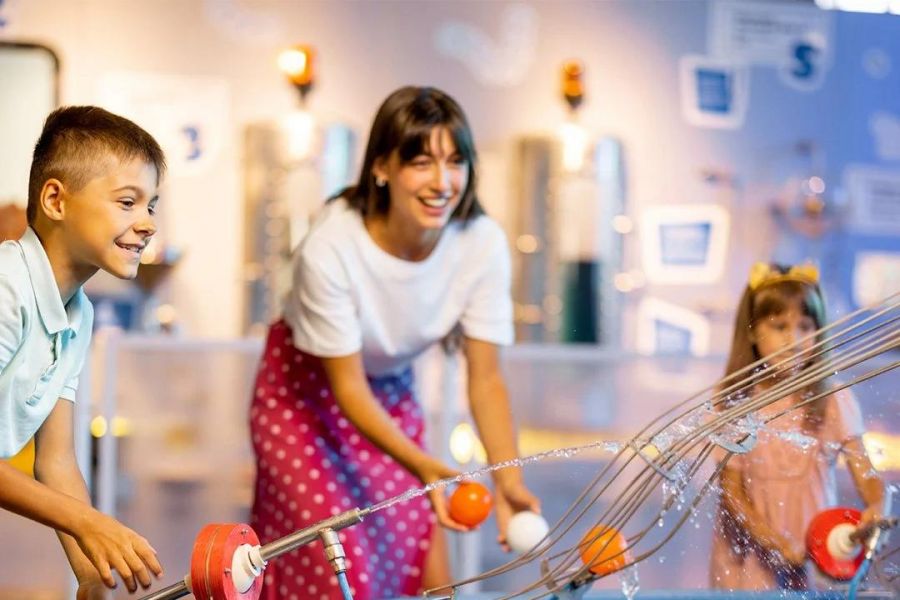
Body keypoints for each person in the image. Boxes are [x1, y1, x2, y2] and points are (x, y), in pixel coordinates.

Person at [249, 86, 540, 599]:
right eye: (422, 162)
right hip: (302, 397)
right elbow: (347, 387)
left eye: (456, 161)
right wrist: (421, 464)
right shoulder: (332, 248)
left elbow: (487, 378)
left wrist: (507, 477)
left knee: (416, 553)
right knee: (338, 564)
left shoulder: (481, 244)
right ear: (382, 167)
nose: (443, 182)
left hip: (387, 389)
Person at [0, 106, 166, 598]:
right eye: (128, 202)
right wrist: (90, 525)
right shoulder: (8, 287)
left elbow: (56, 460)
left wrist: (91, 573)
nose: (147, 223)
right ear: (56, 199)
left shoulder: (79, 312)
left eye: (151, 206)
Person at [709, 262, 886, 591]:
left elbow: (866, 473)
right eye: (780, 326)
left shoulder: (833, 400)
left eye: (806, 326)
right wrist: (773, 542)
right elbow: (731, 490)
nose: (794, 340)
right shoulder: (736, 402)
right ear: (751, 331)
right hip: (748, 556)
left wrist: (877, 505)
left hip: (813, 550)